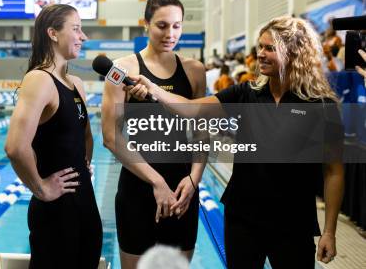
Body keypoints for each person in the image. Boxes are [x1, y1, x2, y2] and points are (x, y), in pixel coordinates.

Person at [126, 15, 344, 268]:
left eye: (269, 48)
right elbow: (190, 109)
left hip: (293, 222)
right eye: (260, 47)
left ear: (294, 52)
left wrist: (329, 231)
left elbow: (334, 172)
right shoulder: (245, 93)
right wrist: (153, 88)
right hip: (243, 219)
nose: (260, 54)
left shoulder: (321, 106)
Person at [101, 0, 206, 268]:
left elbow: (201, 131)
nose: (170, 33)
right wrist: (156, 181)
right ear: (145, 24)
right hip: (138, 190)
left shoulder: (195, 71)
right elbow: (111, 137)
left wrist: (194, 181)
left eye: (177, 26)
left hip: (183, 190)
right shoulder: (123, 69)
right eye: (162, 25)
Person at [5, 4, 102, 268]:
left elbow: (85, 137)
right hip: (56, 211)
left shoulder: (76, 84)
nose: (84, 37)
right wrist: (41, 187)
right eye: (76, 29)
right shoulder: (40, 80)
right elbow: (15, 146)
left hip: (84, 202)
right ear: (53, 33)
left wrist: (83, 165)